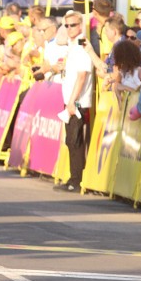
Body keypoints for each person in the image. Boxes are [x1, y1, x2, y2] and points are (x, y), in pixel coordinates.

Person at [54, 11, 94, 192]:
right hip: (70, 99)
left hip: (77, 102)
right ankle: (73, 177)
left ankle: (76, 180)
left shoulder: (81, 46)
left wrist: (72, 101)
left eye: (73, 25)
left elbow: (82, 76)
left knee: (75, 140)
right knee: (71, 140)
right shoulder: (72, 46)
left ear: (80, 26)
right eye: (67, 25)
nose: (69, 28)